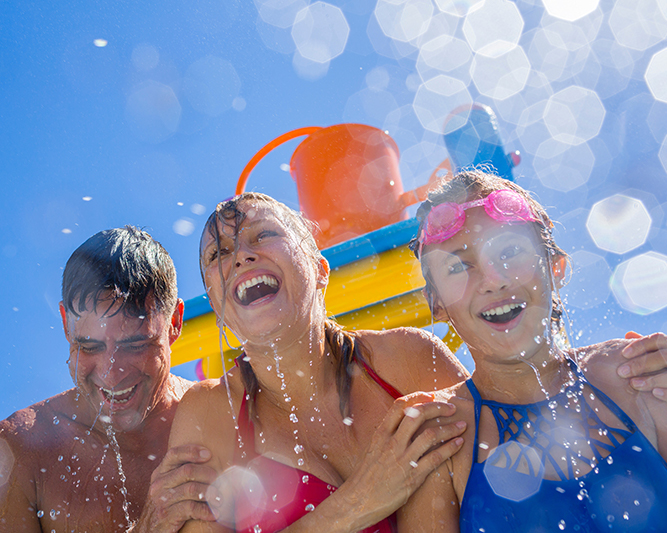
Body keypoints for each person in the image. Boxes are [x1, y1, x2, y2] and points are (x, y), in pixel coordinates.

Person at [399, 170, 667, 532]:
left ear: (555, 266)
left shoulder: (637, 375)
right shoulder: (441, 440)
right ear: (437, 304)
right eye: (458, 265)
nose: (493, 278)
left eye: (508, 251)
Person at [166, 193, 470, 533]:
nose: (241, 256)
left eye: (263, 235)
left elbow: (503, 485)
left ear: (319, 268)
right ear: (216, 305)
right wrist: (360, 502)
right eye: (219, 253)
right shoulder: (209, 415)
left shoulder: (410, 358)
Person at [0, 226, 218, 533]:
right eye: (89, 346)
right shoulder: (19, 451)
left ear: (175, 323)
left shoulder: (220, 418)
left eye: (135, 346)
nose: (111, 374)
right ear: (65, 325)